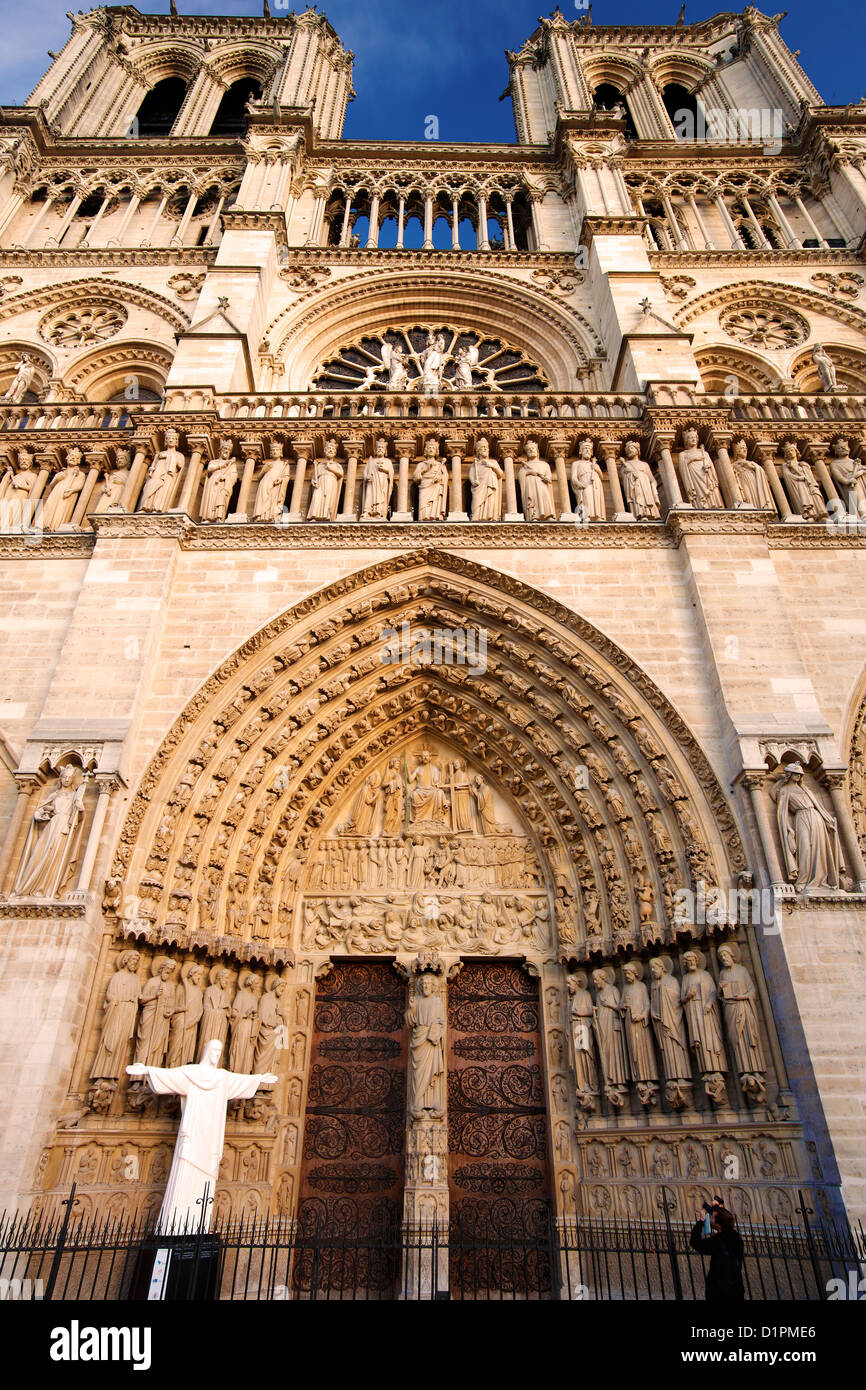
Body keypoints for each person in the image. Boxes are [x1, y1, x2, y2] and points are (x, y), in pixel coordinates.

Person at [689, 1200, 745, 1301]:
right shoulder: (737, 1238)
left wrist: (701, 1221)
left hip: (719, 1292)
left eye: (712, 1217)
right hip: (736, 1289)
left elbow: (695, 1242)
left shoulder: (718, 1241)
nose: (710, 1218)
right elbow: (726, 1217)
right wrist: (718, 1208)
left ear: (719, 1225)